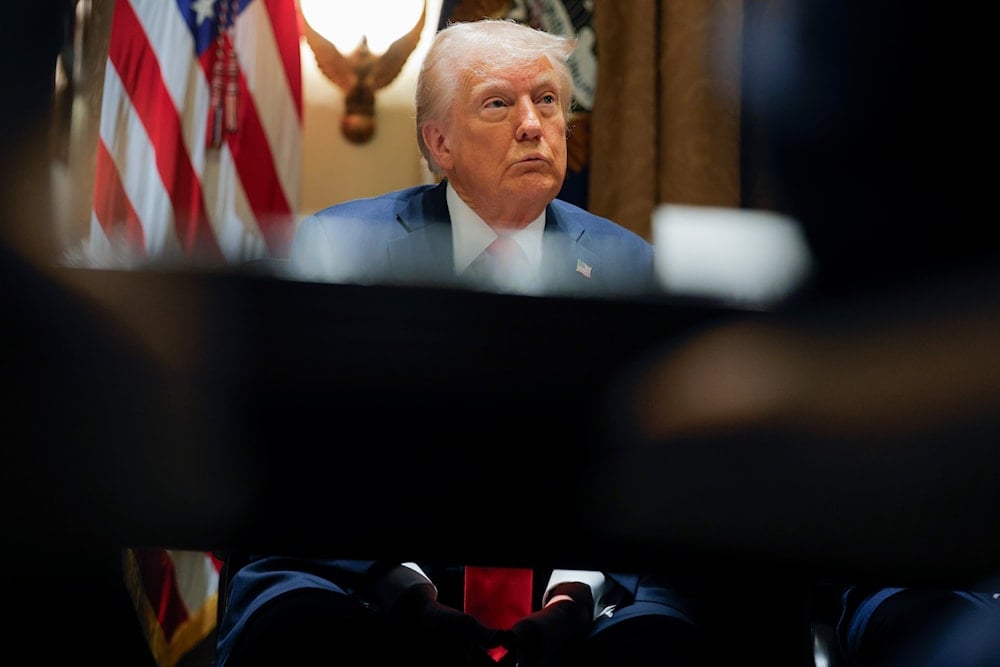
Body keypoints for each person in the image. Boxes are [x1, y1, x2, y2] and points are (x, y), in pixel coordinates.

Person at [217, 18, 703, 667]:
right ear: (439, 143)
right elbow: (302, 464)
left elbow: (646, 477)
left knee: (661, 640)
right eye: (499, 103)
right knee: (300, 627)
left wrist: (574, 595)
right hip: (361, 571)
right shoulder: (340, 250)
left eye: (548, 101)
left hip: (582, 587)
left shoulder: (628, 267)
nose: (533, 124)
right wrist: (407, 594)